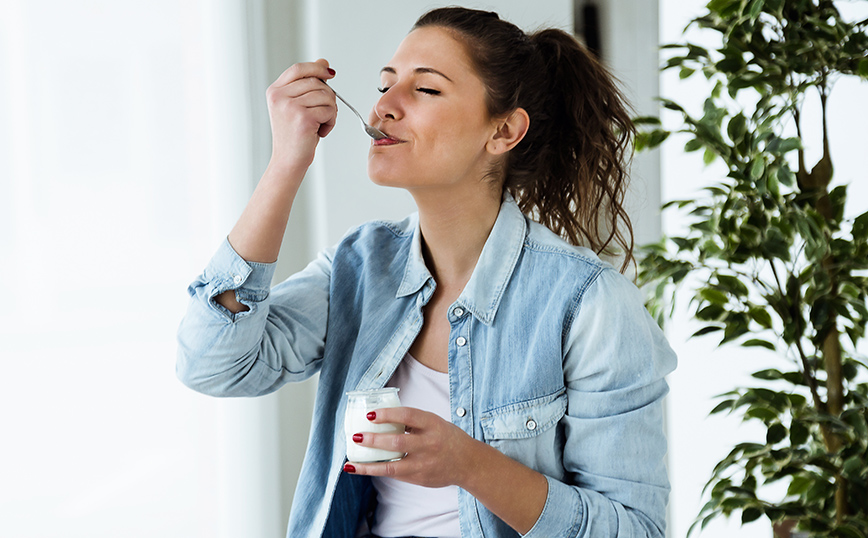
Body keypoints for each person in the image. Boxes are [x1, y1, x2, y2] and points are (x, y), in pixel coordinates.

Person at [177, 6, 677, 538]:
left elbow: (636, 530)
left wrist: (468, 464)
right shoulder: (358, 269)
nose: (384, 106)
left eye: (426, 90)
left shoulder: (588, 304)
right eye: (385, 84)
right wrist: (285, 164)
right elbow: (213, 364)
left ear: (504, 131)